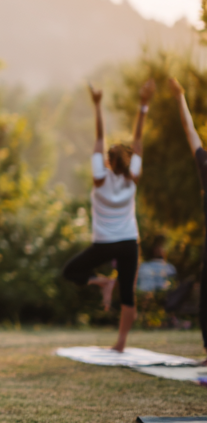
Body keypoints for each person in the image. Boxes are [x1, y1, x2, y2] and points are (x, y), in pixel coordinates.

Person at [62, 80, 152, 352]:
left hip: (104, 242)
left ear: (108, 162)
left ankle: (101, 281)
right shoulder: (133, 178)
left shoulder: (100, 179)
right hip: (128, 242)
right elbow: (138, 141)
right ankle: (120, 344)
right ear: (126, 160)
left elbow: (99, 139)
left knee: (71, 271)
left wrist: (98, 104)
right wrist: (144, 105)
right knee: (128, 295)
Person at [167, 77, 207, 363]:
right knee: (205, 302)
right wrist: (180, 97)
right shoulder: (205, 163)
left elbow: (191, 130)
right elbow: (189, 130)